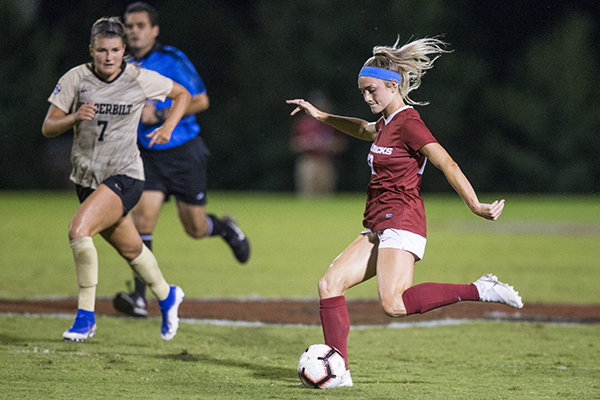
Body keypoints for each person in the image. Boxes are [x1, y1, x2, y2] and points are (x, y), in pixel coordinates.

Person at [286, 37, 523, 387]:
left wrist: (475, 204)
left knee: (394, 304)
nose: (367, 98)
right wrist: (322, 116)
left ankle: (480, 289)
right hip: (379, 222)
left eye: (371, 90)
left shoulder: (409, 122)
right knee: (329, 284)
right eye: (363, 91)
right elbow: (360, 129)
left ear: (393, 85)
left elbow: (446, 162)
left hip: (403, 218)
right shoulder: (384, 122)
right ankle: (340, 372)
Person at [42, 17, 190, 342]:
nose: (108, 57)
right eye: (101, 51)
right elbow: (48, 126)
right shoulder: (76, 79)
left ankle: (85, 318)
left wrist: (167, 127)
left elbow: (183, 95)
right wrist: (73, 117)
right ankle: (167, 295)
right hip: (87, 181)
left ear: (124, 50)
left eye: (114, 50)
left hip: (125, 175)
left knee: (79, 231)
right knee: (132, 249)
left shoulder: (138, 78)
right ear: (91, 51)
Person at [112, 2, 250, 318]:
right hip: (147, 154)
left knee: (195, 227)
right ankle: (137, 296)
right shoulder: (122, 63)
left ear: (154, 30)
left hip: (183, 152)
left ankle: (226, 229)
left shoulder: (171, 60)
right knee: (142, 220)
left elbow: (201, 100)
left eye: (140, 26)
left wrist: (158, 114)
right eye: (129, 26)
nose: (134, 31)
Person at [290, 91, 346, 197]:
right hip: (308, 161)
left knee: (326, 194)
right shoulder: (304, 122)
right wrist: (309, 142)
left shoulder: (330, 121)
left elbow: (341, 144)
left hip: (326, 161)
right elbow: (294, 144)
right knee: (308, 194)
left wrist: (328, 144)